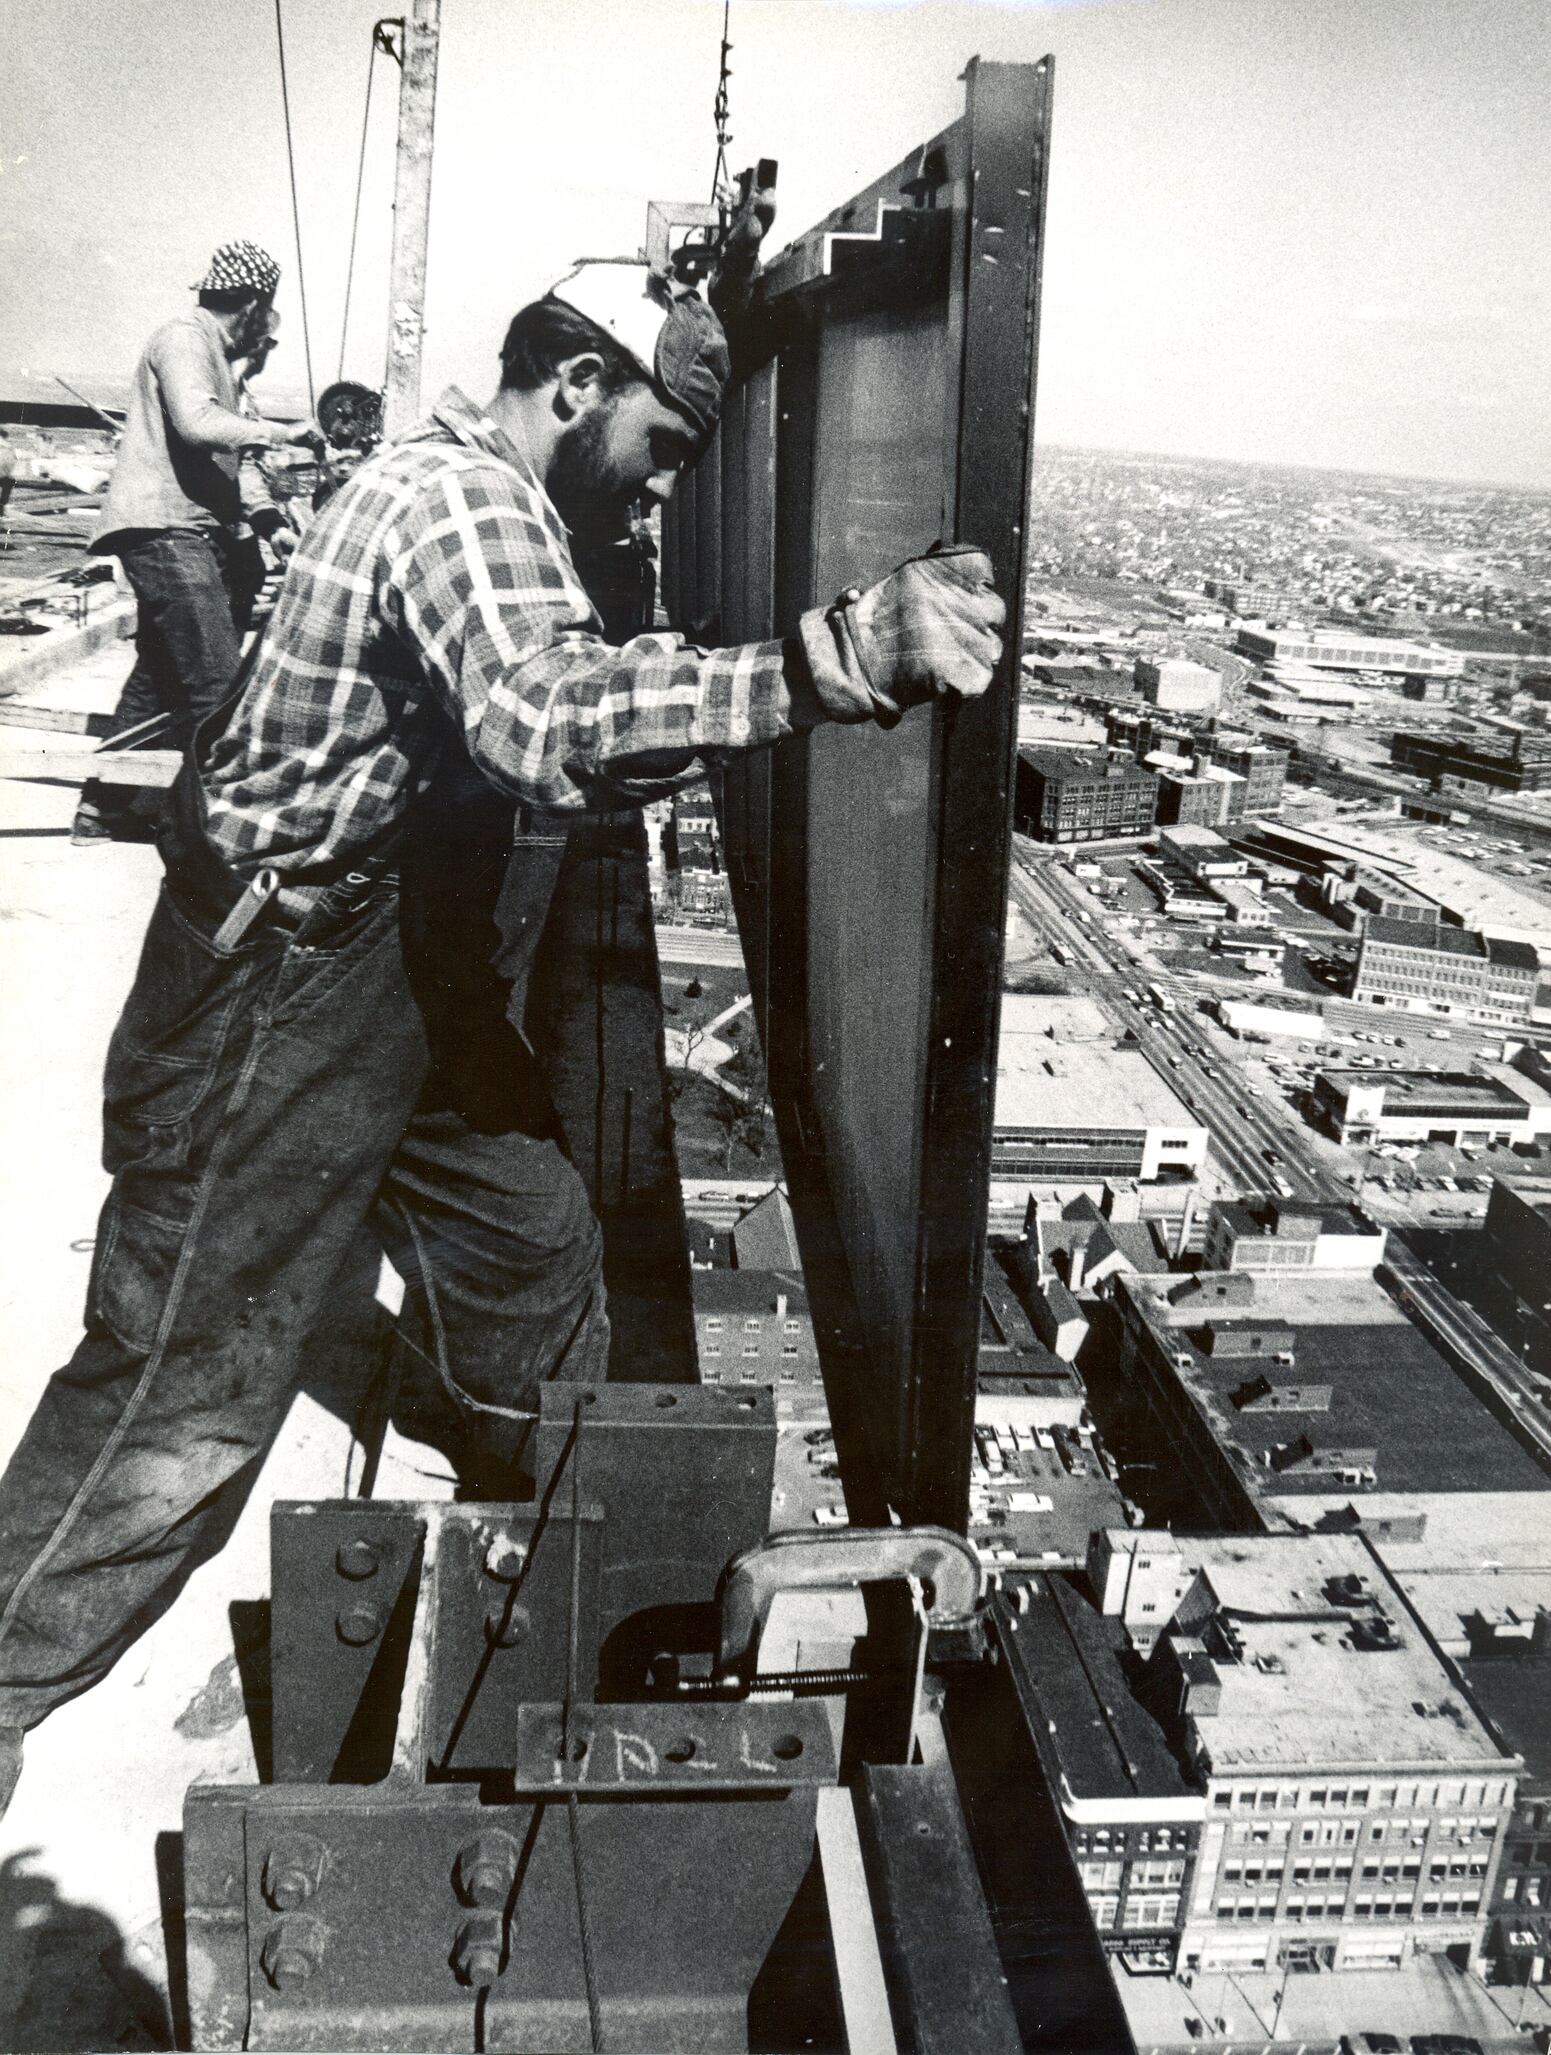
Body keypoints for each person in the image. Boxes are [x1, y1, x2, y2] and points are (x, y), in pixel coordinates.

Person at [0, 255, 1007, 1819]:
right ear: (578, 387)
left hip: (389, 958)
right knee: (181, 1407)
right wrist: (841, 653)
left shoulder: (510, 504)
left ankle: (528, 1570)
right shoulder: (465, 505)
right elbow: (543, 721)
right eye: (662, 453)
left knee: (533, 1244)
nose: (667, 495)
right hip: (274, 991)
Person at [71, 241, 321, 845]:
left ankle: (103, 810)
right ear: (257, 304)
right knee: (216, 682)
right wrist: (284, 431)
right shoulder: (185, 338)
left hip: (187, 528)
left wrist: (265, 521)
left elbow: (219, 464)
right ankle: (217, 839)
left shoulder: (213, 354)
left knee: (159, 676)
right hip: (164, 530)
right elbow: (197, 425)